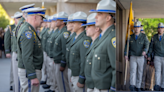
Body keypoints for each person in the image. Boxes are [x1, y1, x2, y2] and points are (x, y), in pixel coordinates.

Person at [17, 7, 46, 92]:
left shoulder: (29, 29)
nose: (42, 21)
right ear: (35, 17)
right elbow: (27, 56)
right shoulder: (28, 32)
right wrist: (32, 76)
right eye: (41, 18)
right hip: (29, 71)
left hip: (29, 70)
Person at [89, 0, 116, 91]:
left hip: (105, 89)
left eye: (99, 14)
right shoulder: (103, 36)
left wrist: (113, 89)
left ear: (108, 18)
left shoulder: (112, 37)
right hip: (98, 86)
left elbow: (116, 68)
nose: (95, 17)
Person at [69, 11, 91, 92]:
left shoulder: (84, 40)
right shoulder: (76, 37)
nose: (72, 25)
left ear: (81, 25)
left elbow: (84, 61)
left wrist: (81, 79)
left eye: (74, 23)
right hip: (75, 74)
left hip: (79, 76)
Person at [124, 21, 149, 91]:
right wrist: (126, 54)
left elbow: (147, 44)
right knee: (132, 71)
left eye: (138, 27)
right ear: (134, 28)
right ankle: (132, 85)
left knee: (140, 71)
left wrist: (145, 51)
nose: (137, 29)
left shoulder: (144, 36)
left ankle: (138, 86)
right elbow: (127, 46)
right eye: (135, 27)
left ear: (140, 28)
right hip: (133, 56)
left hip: (141, 56)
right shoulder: (130, 37)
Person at [81, 13, 101, 92]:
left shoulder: (99, 43)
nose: (86, 29)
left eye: (88, 26)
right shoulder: (93, 42)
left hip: (95, 85)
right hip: (90, 84)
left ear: (97, 29)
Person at [53, 11, 71, 92]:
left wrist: (63, 64)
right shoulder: (60, 31)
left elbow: (65, 50)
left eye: (58, 20)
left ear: (63, 22)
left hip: (61, 62)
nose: (56, 21)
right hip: (58, 61)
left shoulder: (65, 33)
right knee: (60, 84)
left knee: (63, 85)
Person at [147, 23, 164, 91]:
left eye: (161, 28)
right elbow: (151, 47)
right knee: (157, 71)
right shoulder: (154, 37)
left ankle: (163, 86)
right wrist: (149, 56)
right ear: (157, 29)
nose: (160, 29)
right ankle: (157, 85)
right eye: (159, 28)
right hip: (157, 56)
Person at [46, 14, 59, 92]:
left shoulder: (58, 32)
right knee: (51, 73)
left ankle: (55, 88)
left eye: (53, 22)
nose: (51, 23)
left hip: (54, 57)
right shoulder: (53, 32)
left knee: (56, 75)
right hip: (50, 54)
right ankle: (53, 86)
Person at [10, 11, 23, 92]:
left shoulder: (21, 28)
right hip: (16, 52)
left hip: (21, 53)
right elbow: (8, 40)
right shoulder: (12, 28)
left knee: (21, 75)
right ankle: (16, 88)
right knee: (16, 74)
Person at [4, 17, 16, 91]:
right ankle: (12, 83)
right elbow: (7, 39)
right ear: (14, 19)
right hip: (13, 51)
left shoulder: (22, 26)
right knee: (13, 69)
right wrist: (7, 51)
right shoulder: (11, 27)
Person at [65, 13, 76, 92]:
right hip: (70, 66)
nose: (67, 24)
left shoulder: (78, 38)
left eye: (70, 22)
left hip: (75, 69)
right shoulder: (72, 36)